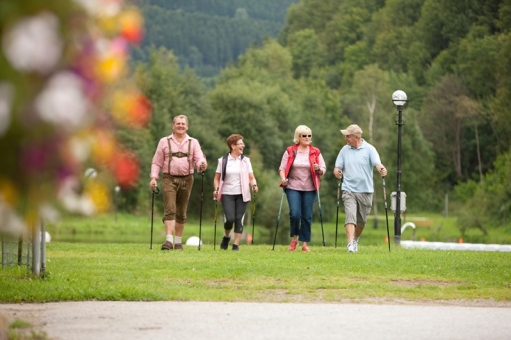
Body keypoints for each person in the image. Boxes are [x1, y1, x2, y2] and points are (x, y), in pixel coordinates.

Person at [149, 115, 207, 250]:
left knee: (181, 211)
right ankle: (168, 241)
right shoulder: (164, 141)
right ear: (173, 126)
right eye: (178, 124)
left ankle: (178, 242)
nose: (180, 126)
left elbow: (199, 158)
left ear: (187, 126)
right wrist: (153, 178)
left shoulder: (193, 142)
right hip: (168, 178)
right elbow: (157, 162)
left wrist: (202, 164)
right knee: (170, 208)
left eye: (183, 124)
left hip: (187, 179)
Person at [333, 124, 387, 253]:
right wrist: (337, 172)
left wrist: (381, 169)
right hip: (348, 189)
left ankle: (356, 239)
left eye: (348, 136)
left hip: (365, 190)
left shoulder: (369, 149)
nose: (345, 138)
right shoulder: (344, 150)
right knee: (350, 215)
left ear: (355, 137)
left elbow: (377, 163)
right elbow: (337, 167)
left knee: (361, 221)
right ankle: (350, 244)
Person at [278, 125, 326, 252]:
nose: (307, 138)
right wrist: (283, 179)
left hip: (310, 187)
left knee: (307, 216)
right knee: (295, 214)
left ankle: (304, 243)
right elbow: (282, 168)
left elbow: (323, 168)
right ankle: (294, 239)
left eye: (309, 135)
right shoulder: (290, 151)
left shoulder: (316, 151)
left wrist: (319, 169)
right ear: (298, 137)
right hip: (293, 186)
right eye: (304, 136)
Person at [213, 134, 258, 251]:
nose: (243, 145)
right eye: (240, 143)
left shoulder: (246, 161)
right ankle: (226, 237)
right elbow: (216, 178)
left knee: (239, 218)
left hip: (242, 194)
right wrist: (216, 189)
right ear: (233, 146)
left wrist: (254, 185)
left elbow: (251, 177)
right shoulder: (222, 160)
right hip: (227, 193)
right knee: (230, 219)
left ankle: (236, 245)